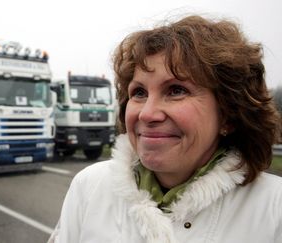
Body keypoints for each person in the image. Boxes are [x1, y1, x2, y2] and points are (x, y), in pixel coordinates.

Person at [48, 15, 282, 243]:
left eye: (176, 90)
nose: (147, 113)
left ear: (228, 115)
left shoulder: (274, 209)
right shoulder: (89, 186)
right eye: (139, 92)